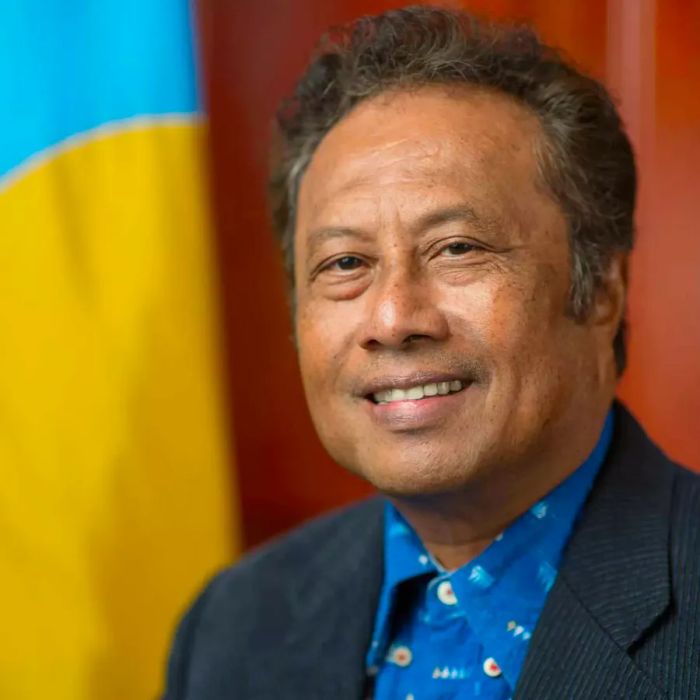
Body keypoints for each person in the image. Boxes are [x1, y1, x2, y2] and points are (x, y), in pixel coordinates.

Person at [163, 7, 700, 699]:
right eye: (345, 263)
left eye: (458, 249)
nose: (392, 319)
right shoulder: (236, 626)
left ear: (600, 289)